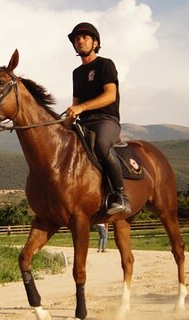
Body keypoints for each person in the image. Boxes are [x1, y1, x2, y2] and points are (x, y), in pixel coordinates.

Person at [65, 22, 130, 215]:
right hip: (83, 123)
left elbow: (110, 95)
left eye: (84, 37)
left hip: (106, 120)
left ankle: (120, 195)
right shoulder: (76, 73)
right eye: (77, 39)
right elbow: (75, 103)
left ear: (95, 42)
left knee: (102, 144)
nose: (80, 41)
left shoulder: (105, 64)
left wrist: (82, 107)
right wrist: (63, 125)